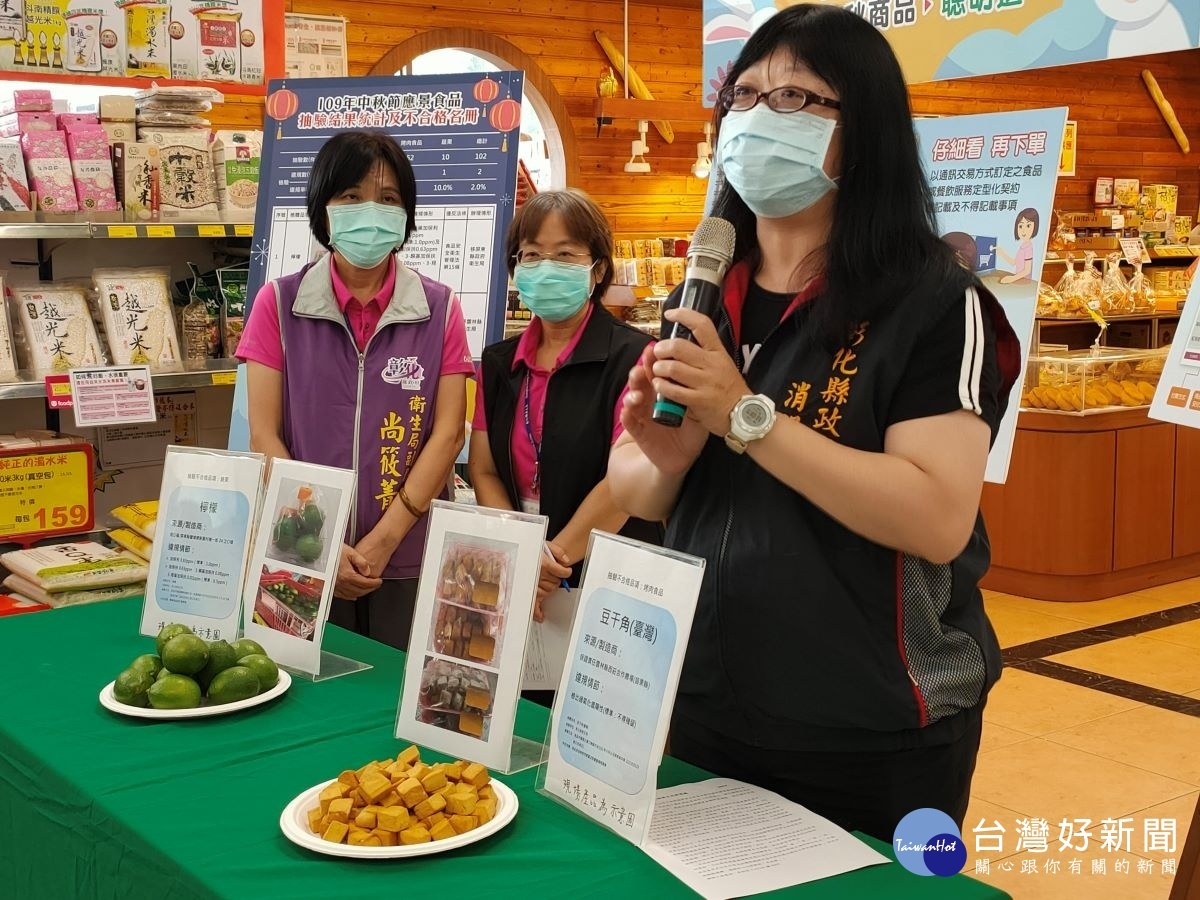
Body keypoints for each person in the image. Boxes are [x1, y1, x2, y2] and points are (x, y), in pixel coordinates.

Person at [608, 3, 1020, 842]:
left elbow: (937, 519)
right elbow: (641, 493)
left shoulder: (937, 304)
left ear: (862, 131)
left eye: (796, 98)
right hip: (704, 701)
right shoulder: (700, 296)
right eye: (745, 96)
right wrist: (667, 454)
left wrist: (746, 418)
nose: (760, 117)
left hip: (875, 727)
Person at [237, 131, 474, 650]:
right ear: (322, 208)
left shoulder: (441, 309)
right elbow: (264, 433)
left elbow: (448, 434)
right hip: (300, 546)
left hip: (410, 551)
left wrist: (383, 542)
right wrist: (322, 546)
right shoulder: (278, 304)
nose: (371, 210)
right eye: (351, 196)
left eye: (389, 199)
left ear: (407, 215)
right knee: (307, 696)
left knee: (400, 707)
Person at [469, 190, 663, 627]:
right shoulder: (500, 362)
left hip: (610, 579)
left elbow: (625, 481)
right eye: (532, 255)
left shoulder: (637, 357)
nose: (546, 267)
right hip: (518, 569)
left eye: (565, 254)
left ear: (597, 269)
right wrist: (519, 552)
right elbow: (483, 469)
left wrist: (548, 565)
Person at [998, 207, 1039, 283]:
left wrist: (1012, 278)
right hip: (1018, 280)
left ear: (1035, 227)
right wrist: (1002, 254)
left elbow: (1027, 270)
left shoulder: (1028, 247)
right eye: (1020, 226)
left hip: (1023, 282)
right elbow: (1014, 262)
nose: (1023, 230)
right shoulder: (1023, 245)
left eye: (1028, 226)